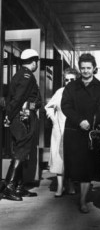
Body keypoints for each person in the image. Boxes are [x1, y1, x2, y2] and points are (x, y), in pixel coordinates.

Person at [61, 53, 100, 214]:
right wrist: (80, 121)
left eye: (89, 68)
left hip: (93, 134)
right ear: (80, 69)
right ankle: (72, 186)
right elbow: (66, 106)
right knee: (75, 166)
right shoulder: (71, 87)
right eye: (83, 68)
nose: (86, 71)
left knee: (87, 169)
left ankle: (83, 200)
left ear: (94, 68)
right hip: (74, 132)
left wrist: (92, 123)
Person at [2, 49, 41, 201]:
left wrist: (9, 116)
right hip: (23, 117)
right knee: (21, 150)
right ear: (34, 62)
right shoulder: (27, 76)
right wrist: (9, 116)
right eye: (36, 62)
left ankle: (18, 187)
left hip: (19, 117)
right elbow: (18, 99)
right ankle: (10, 187)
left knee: (21, 150)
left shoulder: (19, 74)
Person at [45, 68, 78, 197]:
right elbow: (48, 107)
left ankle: (70, 185)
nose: (69, 82)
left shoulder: (79, 93)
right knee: (59, 159)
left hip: (74, 130)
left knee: (72, 159)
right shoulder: (59, 92)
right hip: (59, 130)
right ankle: (60, 187)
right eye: (67, 80)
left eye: (72, 80)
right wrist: (53, 120)